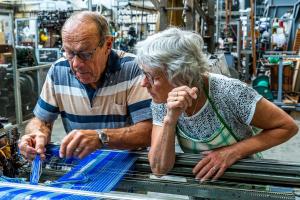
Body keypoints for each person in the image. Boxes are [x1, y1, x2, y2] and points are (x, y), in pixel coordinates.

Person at [135, 27, 298, 182]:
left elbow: (287, 126)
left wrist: (233, 152)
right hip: (203, 186)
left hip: (247, 183)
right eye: (144, 74)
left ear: (181, 75)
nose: (143, 83)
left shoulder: (229, 92)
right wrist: (170, 120)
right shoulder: (161, 101)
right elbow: (158, 168)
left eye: (152, 77)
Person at [18, 11, 152, 161]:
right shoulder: (59, 70)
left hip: (126, 168)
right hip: (80, 166)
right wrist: (36, 134)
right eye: (69, 52)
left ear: (108, 45)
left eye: (86, 54)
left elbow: (148, 132)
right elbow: (41, 120)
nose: (76, 64)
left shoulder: (133, 69)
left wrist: (101, 137)